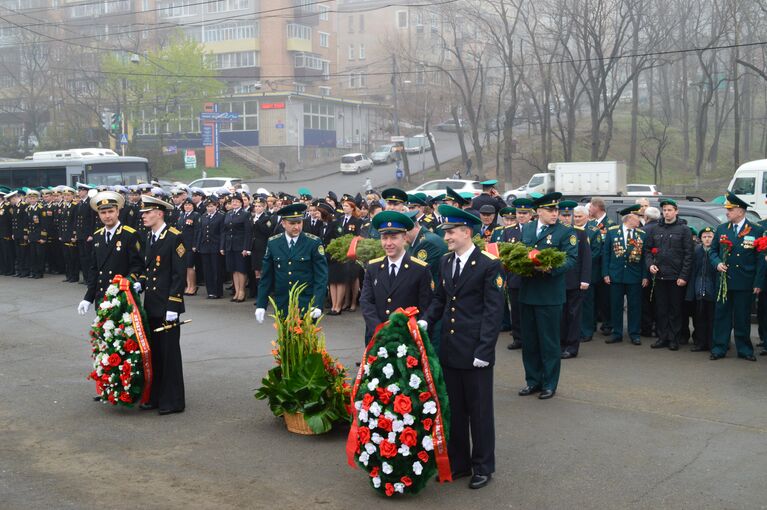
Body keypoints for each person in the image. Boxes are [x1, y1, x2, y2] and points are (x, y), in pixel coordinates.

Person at [423, 204, 505, 490]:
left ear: (467, 232)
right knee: (454, 411)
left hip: (475, 352)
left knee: (479, 412)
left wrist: (485, 350)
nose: (446, 237)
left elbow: (493, 312)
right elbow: (440, 299)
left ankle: (483, 466)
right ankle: (460, 463)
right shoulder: (446, 262)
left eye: (451, 232)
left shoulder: (488, 264)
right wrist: (425, 321)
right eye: (446, 232)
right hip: (450, 348)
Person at [517, 193, 577, 399]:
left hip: (550, 295)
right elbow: (520, 252)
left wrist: (550, 268)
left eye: (556, 210)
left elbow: (571, 259)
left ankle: (549, 384)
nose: (555, 213)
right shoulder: (527, 228)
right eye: (550, 210)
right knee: (530, 342)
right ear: (539, 211)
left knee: (549, 343)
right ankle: (532, 381)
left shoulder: (565, 232)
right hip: (527, 293)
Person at [136, 195, 187, 415]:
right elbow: (150, 271)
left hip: (167, 306)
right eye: (143, 213)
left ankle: (173, 401)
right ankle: (156, 396)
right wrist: (139, 284)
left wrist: (173, 307)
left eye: (147, 213)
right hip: (152, 306)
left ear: (159, 213)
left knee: (169, 355)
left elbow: (179, 275)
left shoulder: (175, 237)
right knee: (155, 354)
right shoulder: (150, 237)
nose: (144, 217)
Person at [360, 211, 432, 345]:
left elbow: (424, 307)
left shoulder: (420, 269)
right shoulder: (373, 267)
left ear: (404, 238)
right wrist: (379, 329)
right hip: (377, 338)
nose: (388, 243)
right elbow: (366, 302)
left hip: (406, 340)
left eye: (393, 237)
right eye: (384, 238)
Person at [710, 192, 765, 361]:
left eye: (730, 209)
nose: (727, 212)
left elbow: (761, 260)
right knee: (721, 316)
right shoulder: (721, 229)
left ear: (740, 211)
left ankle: (744, 349)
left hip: (744, 281)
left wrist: (758, 283)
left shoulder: (756, 230)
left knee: (742, 318)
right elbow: (712, 251)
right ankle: (719, 347)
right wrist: (717, 263)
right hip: (725, 281)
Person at [255, 203, 328, 321]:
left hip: (306, 303)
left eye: (299, 222)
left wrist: (317, 304)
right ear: (283, 223)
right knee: (284, 338)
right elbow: (267, 277)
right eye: (292, 223)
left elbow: (321, 277)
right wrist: (261, 304)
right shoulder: (273, 243)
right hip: (283, 303)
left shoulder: (313, 243)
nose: (297, 227)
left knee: (305, 339)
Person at [77, 191, 143, 316]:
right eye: (103, 212)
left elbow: (138, 265)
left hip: (123, 296)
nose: (107, 216)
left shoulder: (130, 234)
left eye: (111, 211)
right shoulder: (98, 236)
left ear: (118, 212)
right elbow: (94, 269)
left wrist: (129, 282)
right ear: (98, 215)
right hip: (102, 296)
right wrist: (88, 298)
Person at [645, 199, 694, 351]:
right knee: (661, 309)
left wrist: (683, 276)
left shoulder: (684, 229)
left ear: (676, 211)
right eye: (664, 210)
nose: (666, 213)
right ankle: (662, 337)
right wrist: (650, 265)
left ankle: (674, 338)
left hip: (676, 277)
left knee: (675, 309)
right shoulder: (655, 229)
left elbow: (688, 255)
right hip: (659, 276)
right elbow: (647, 250)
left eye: (669, 210)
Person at [602, 205, 648, 346]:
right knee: (616, 305)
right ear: (629, 218)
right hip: (616, 275)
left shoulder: (641, 234)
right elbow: (606, 254)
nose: (639, 220)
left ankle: (634, 333)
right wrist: (605, 273)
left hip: (634, 276)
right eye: (637, 218)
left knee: (634, 306)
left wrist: (645, 276)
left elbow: (645, 257)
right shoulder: (612, 232)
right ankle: (617, 333)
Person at [558, 201, 591, 359]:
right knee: (560, 315)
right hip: (556, 281)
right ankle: (560, 343)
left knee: (573, 315)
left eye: (568, 215)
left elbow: (586, 258)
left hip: (574, 281)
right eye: (563, 215)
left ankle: (571, 347)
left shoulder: (580, 232)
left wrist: (585, 279)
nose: (565, 218)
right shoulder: (554, 231)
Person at [506, 198, 534, 350]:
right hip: (514, 277)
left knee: (529, 311)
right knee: (515, 310)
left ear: (531, 215)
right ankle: (518, 338)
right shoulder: (508, 231)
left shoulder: (535, 229)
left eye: (525, 213)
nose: (521, 216)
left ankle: (530, 339)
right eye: (519, 213)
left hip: (531, 277)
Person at [588, 197, 615, 337]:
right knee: (591, 298)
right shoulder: (590, 223)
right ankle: (590, 324)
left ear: (597, 207)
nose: (589, 209)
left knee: (605, 299)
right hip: (591, 268)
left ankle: (607, 324)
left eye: (590, 206)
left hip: (604, 267)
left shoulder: (609, 224)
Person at [687, 226, 716, 353]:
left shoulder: (717, 251)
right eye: (704, 237)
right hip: (699, 288)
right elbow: (692, 271)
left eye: (710, 237)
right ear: (700, 239)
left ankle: (712, 342)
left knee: (712, 317)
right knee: (699, 318)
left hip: (713, 289)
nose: (707, 239)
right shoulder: (697, 251)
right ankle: (700, 342)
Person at [220, 192, 252, 303]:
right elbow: (224, 231)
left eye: (237, 201)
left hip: (240, 245)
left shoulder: (245, 214)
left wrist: (246, 248)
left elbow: (248, 232)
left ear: (241, 203)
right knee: (233, 269)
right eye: (233, 201)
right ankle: (237, 291)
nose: (234, 203)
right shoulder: (228, 214)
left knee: (241, 269)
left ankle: (242, 292)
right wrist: (222, 246)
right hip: (230, 245)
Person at [195, 198, 224, 299]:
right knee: (207, 270)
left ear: (216, 206)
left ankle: (217, 291)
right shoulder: (203, 216)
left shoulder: (220, 216)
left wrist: (221, 246)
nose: (209, 208)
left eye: (211, 206)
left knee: (216, 269)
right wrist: (197, 245)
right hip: (205, 246)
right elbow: (200, 232)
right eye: (208, 206)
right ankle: (210, 291)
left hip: (215, 246)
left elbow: (222, 233)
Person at [640, 207, 661, 337]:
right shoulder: (661, 229)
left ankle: (647, 328)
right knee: (659, 302)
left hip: (645, 271)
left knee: (646, 302)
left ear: (646, 218)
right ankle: (658, 327)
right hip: (661, 271)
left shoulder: (642, 231)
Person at [74, 183, 96, 284]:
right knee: (82, 257)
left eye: (81, 191)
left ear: (86, 191)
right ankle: (85, 277)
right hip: (80, 234)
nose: (79, 193)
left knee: (88, 257)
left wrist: (91, 234)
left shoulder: (90, 202)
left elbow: (92, 220)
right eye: (79, 191)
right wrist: (75, 233)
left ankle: (90, 278)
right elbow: (76, 220)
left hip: (87, 234)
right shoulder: (79, 204)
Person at [178, 199, 200, 296]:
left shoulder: (195, 215)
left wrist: (195, 244)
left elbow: (197, 231)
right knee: (184, 266)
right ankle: (188, 285)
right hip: (182, 244)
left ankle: (193, 286)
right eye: (186, 205)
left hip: (190, 244)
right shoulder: (182, 215)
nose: (187, 207)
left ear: (193, 206)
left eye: (189, 205)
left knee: (190, 266)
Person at [24, 190, 46, 279]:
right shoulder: (28, 209)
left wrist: (43, 237)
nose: (32, 200)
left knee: (39, 255)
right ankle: (34, 272)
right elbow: (27, 223)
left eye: (34, 198)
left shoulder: (41, 208)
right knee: (32, 255)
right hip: (32, 235)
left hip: (38, 235)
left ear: (37, 199)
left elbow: (44, 224)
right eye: (30, 198)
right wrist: (27, 235)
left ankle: (40, 272)